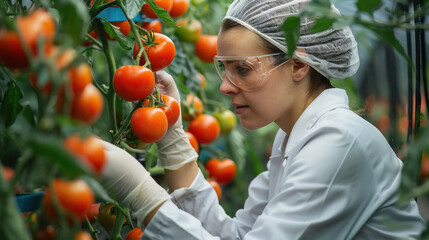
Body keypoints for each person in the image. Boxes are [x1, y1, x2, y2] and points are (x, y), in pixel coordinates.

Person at [98, 0, 426, 239]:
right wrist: (173, 141)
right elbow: (239, 236)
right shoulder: (296, 138)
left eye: (242, 69)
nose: (225, 87)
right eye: (223, 68)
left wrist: (140, 193)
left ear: (298, 65)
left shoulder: (339, 143)